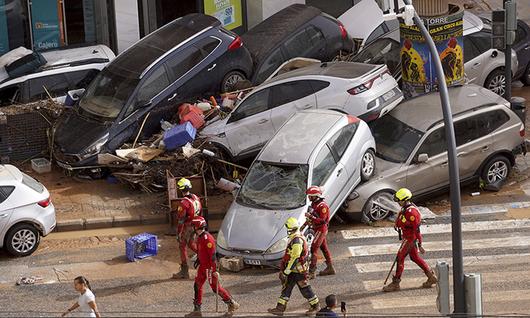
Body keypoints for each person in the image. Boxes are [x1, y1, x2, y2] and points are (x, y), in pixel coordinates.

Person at [383, 188, 438, 292]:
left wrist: (420, 244)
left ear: (405, 200)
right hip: (407, 237)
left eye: (399, 200)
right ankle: (431, 276)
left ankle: (396, 283)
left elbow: (416, 229)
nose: (398, 202)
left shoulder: (411, 213)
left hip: (410, 239)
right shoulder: (405, 208)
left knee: (400, 258)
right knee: (415, 258)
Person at [185, 216, 239, 317]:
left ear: (197, 227)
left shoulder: (207, 239)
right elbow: (201, 251)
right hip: (203, 267)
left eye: (193, 227)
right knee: (197, 286)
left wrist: (214, 270)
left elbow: (213, 256)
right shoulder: (200, 237)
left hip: (209, 268)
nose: (192, 229)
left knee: (215, 288)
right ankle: (197, 310)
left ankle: (231, 303)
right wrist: (199, 259)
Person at [268, 217, 320, 316]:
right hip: (293, 269)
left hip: (298, 270)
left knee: (305, 288)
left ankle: (316, 306)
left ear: (291, 229)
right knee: (287, 287)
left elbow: (295, 258)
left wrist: (286, 272)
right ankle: (280, 308)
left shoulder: (297, 241)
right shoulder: (295, 236)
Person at [173, 178, 203, 279]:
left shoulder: (184, 203)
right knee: (191, 243)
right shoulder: (196, 197)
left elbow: (181, 220)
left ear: (180, 189)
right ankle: (204, 256)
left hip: (188, 226)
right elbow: (200, 212)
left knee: (182, 246)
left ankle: (184, 271)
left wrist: (178, 233)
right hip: (196, 224)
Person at [305, 186, 335, 279]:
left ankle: (311, 272)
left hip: (321, 230)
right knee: (324, 248)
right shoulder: (314, 204)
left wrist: (311, 217)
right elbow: (311, 217)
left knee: (313, 249)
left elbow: (322, 220)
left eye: (310, 196)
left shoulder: (323, 206)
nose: (309, 198)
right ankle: (330, 268)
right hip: (316, 229)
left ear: (315, 196)